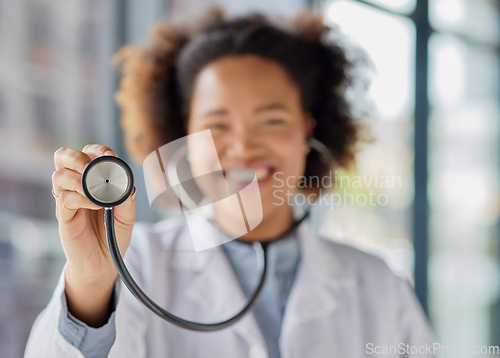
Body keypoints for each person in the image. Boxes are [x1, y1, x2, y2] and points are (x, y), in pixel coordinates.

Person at [25, 8, 435, 358]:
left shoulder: (379, 285)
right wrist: (92, 283)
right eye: (217, 124)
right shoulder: (137, 268)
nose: (243, 147)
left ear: (308, 130)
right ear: (182, 136)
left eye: (271, 120)